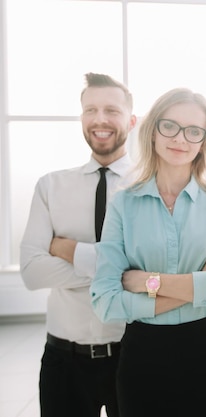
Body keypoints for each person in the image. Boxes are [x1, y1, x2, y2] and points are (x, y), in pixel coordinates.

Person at [89, 88, 206, 416]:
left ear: (205, 140)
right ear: (153, 131)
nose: (180, 139)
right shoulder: (124, 203)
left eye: (194, 131)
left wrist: (148, 282)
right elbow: (104, 300)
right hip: (144, 359)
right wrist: (202, 287)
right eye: (169, 126)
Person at [19, 72, 136, 417]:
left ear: (131, 120)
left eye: (112, 110)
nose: (100, 119)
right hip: (63, 361)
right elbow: (32, 273)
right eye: (90, 110)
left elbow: (156, 269)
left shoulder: (151, 186)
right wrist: (118, 271)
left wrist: (68, 250)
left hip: (132, 356)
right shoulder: (50, 186)